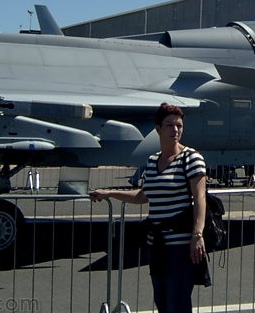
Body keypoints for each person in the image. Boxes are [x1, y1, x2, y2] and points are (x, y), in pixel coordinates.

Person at [89, 103, 208, 313]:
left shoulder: (191, 158)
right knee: (162, 302)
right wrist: (109, 193)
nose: (175, 130)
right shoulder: (153, 161)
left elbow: (200, 198)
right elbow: (143, 195)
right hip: (157, 246)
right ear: (158, 129)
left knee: (177, 304)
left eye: (179, 125)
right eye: (169, 125)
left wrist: (197, 235)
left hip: (180, 247)